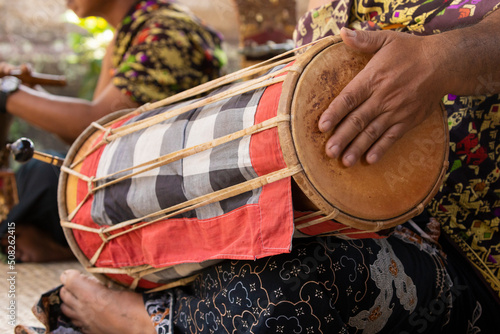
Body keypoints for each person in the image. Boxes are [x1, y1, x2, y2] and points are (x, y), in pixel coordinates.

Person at [17, 0, 500, 333]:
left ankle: (149, 322)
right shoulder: (324, 19)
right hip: (361, 227)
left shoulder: (164, 29)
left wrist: (440, 59)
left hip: (470, 257)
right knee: (226, 240)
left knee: (307, 281)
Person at [0, 0, 224, 262]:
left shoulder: (168, 32)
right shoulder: (132, 31)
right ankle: (56, 246)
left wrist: (9, 92)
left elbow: (97, 123)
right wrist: (28, 94)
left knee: (40, 176)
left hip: (175, 190)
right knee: (42, 172)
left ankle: (63, 250)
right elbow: (92, 140)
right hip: (138, 181)